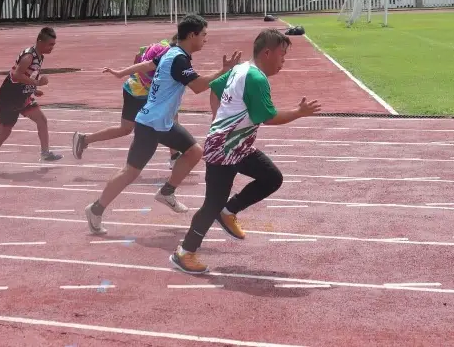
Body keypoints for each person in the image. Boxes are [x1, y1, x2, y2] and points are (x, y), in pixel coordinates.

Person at [170, 28, 321, 274]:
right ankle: (185, 253)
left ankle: (228, 211)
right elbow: (269, 117)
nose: (283, 62)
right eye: (282, 56)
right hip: (223, 150)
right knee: (212, 203)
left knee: (271, 177)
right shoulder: (256, 78)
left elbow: (216, 89)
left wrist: (218, 119)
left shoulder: (240, 69)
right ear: (267, 52)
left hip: (238, 146)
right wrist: (298, 112)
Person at [84, 14, 242, 235]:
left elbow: (148, 63)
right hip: (150, 124)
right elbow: (197, 86)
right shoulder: (179, 59)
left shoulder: (173, 53)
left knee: (194, 152)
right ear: (191, 35)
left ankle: (167, 192)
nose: (206, 39)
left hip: (161, 123)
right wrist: (224, 71)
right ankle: (95, 209)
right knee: (130, 172)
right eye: (204, 35)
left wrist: (122, 71)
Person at [71, 34, 183, 169]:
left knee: (167, 117)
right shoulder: (168, 55)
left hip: (138, 89)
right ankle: (173, 157)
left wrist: (134, 73)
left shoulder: (163, 44)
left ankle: (175, 156)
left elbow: (139, 53)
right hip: (137, 92)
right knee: (131, 128)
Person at [0, 27, 64, 172]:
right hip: (9, 97)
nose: (52, 48)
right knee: (5, 131)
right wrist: (37, 83)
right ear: (40, 41)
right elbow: (17, 75)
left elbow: (27, 76)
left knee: (41, 120)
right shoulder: (29, 56)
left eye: (53, 45)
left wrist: (33, 90)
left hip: (23, 96)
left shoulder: (39, 56)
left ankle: (45, 153)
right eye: (50, 44)